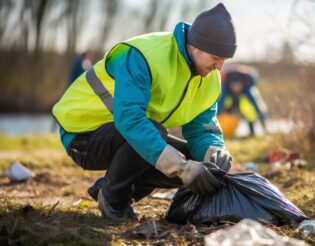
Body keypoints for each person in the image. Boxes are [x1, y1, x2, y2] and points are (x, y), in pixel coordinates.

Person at [52, 3, 236, 221]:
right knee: (159, 140)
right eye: (216, 58)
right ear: (195, 46)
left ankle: (108, 186)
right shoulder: (145, 56)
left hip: (126, 135)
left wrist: (213, 151)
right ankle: (114, 200)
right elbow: (130, 120)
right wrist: (179, 167)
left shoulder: (209, 79)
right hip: (81, 135)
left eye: (224, 60)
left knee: (196, 164)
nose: (220, 68)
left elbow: (202, 129)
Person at [217, 68, 268, 137]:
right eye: (234, 86)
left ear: (242, 84)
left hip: (247, 91)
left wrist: (261, 114)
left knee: (250, 109)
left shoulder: (248, 85)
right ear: (230, 84)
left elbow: (257, 104)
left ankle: (261, 130)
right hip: (229, 101)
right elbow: (219, 103)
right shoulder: (225, 86)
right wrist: (218, 114)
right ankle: (217, 130)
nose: (236, 89)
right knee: (220, 105)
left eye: (238, 86)